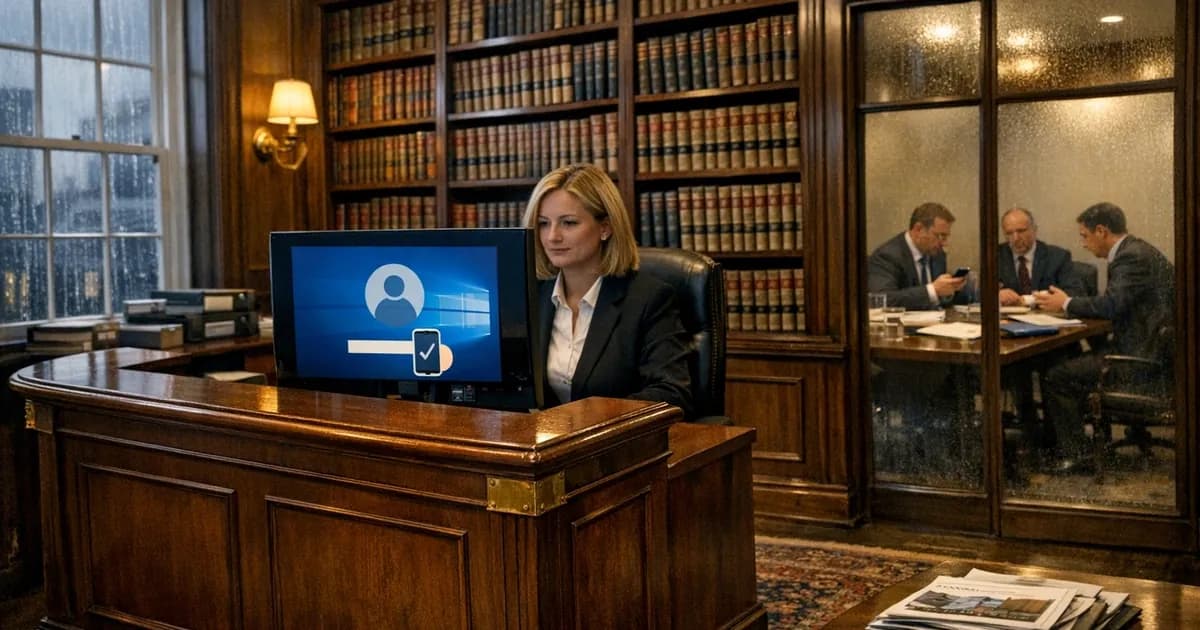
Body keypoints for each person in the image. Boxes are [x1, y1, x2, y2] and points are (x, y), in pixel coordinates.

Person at [523, 163, 694, 418]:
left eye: (568, 223)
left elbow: (672, 394)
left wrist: (583, 421)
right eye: (544, 224)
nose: (552, 237)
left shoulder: (649, 299)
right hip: (541, 449)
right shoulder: (530, 297)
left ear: (605, 227)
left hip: (616, 449)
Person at [1036, 202, 1175, 473]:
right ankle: (1079, 445)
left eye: (1084, 236)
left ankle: (1077, 456)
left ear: (1101, 231)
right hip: (1149, 349)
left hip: (1140, 359)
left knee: (1057, 376)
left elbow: (1111, 306)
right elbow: (1117, 305)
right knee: (1072, 360)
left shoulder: (1130, 257)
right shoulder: (1136, 250)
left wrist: (1066, 303)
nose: (1084, 244)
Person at [867, 202, 969, 310]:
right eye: (940, 236)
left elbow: (940, 301)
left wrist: (950, 290)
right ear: (918, 229)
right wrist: (932, 290)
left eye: (945, 237)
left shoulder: (937, 254)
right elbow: (882, 300)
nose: (944, 243)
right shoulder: (887, 256)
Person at [997, 207, 1084, 305]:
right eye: (1009, 233)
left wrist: (1029, 300)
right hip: (1008, 318)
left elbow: (1075, 293)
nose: (1015, 238)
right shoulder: (995, 256)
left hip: (1048, 316)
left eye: (1021, 231)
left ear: (1034, 230)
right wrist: (996, 295)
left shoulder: (1058, 257)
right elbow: (981, 292)